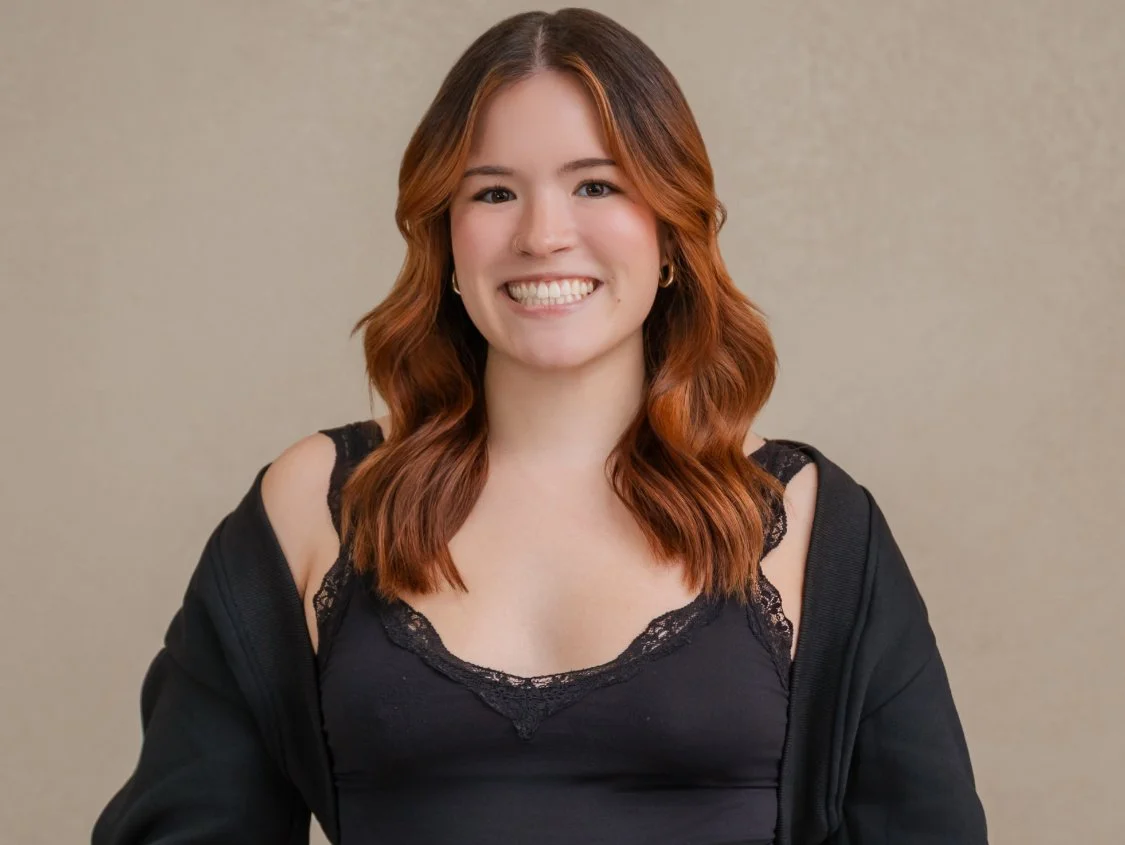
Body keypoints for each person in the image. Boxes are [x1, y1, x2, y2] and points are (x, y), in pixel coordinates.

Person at [93, 8, 987, 844]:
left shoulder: (815, 526)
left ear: (671, 235)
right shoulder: (314, 505)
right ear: (444, 238)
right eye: (492, 194)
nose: (544, 234)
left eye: (596, 184)